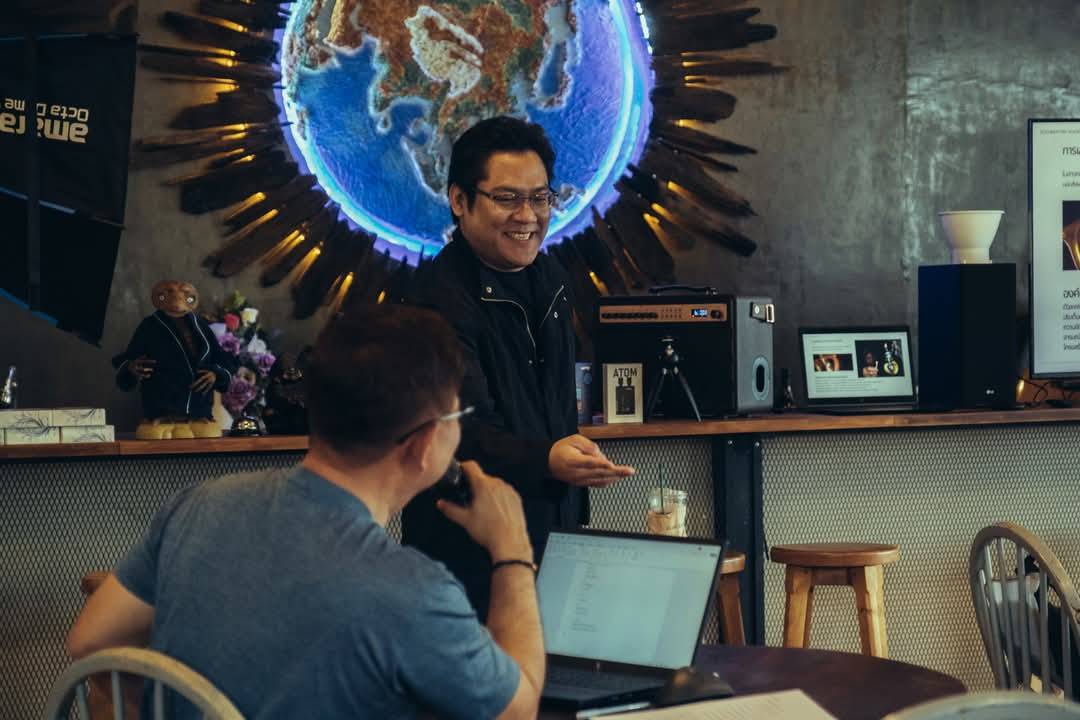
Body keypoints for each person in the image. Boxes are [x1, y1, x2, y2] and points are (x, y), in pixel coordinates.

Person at [67, 305, 544, 720]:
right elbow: (518, 708)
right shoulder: (413, 591)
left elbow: (90, 641)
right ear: (423, 444)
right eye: (457, 416)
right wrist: (513, 553)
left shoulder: (199, 504)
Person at [403, 116, 635, 619]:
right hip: (466, 552)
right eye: (507, 198)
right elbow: (460, 432)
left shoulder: (551, 276)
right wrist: (547, 458)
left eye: (540, 198)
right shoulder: (436, 301)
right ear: (460, 200)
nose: (527, 216)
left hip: (554, 535)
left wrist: (566, 457)